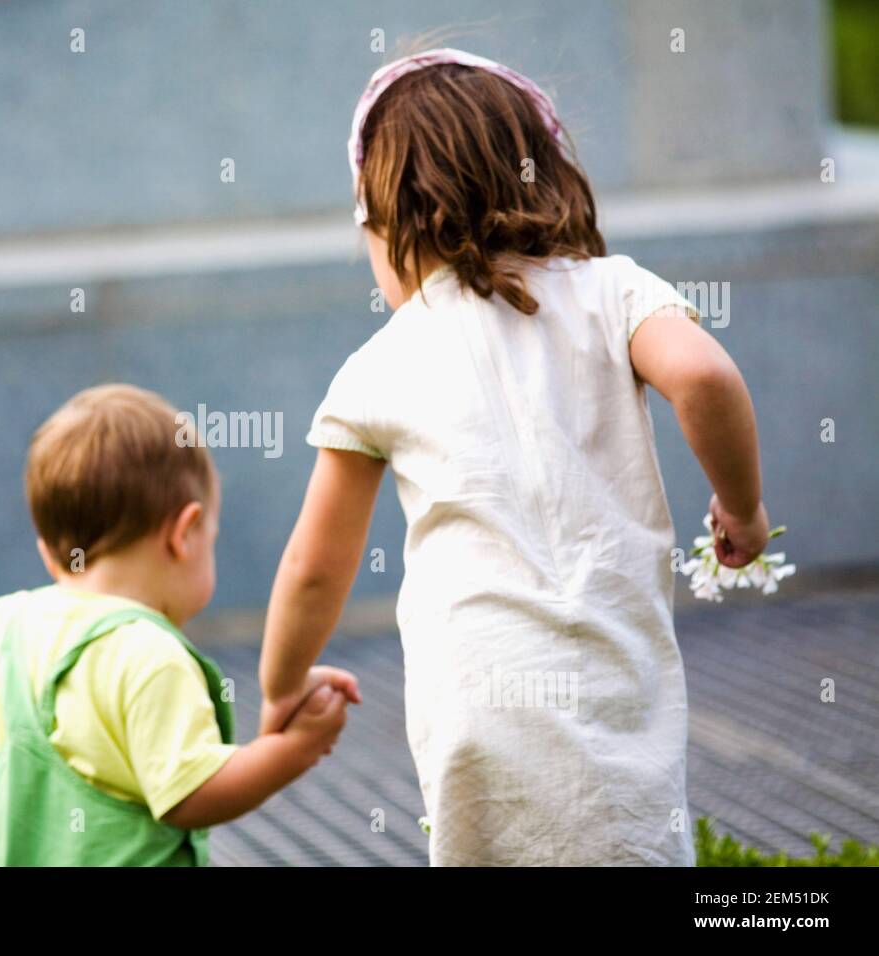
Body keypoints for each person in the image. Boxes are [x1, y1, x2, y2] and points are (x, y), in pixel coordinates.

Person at [258, 49, 771, 865]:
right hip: (614, 685)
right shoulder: (615, 291)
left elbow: (315, 567)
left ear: (388, 221)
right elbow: (706, 375)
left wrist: (282, 685)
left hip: (475, 700)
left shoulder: (378, 366)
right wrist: (741, 508)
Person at [0, 383, 358, 865]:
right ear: (185, 534)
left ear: (47, 552)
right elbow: (189, 794)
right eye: (212, 535)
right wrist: (293, 749)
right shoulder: (149, 656)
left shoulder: (8, 625)